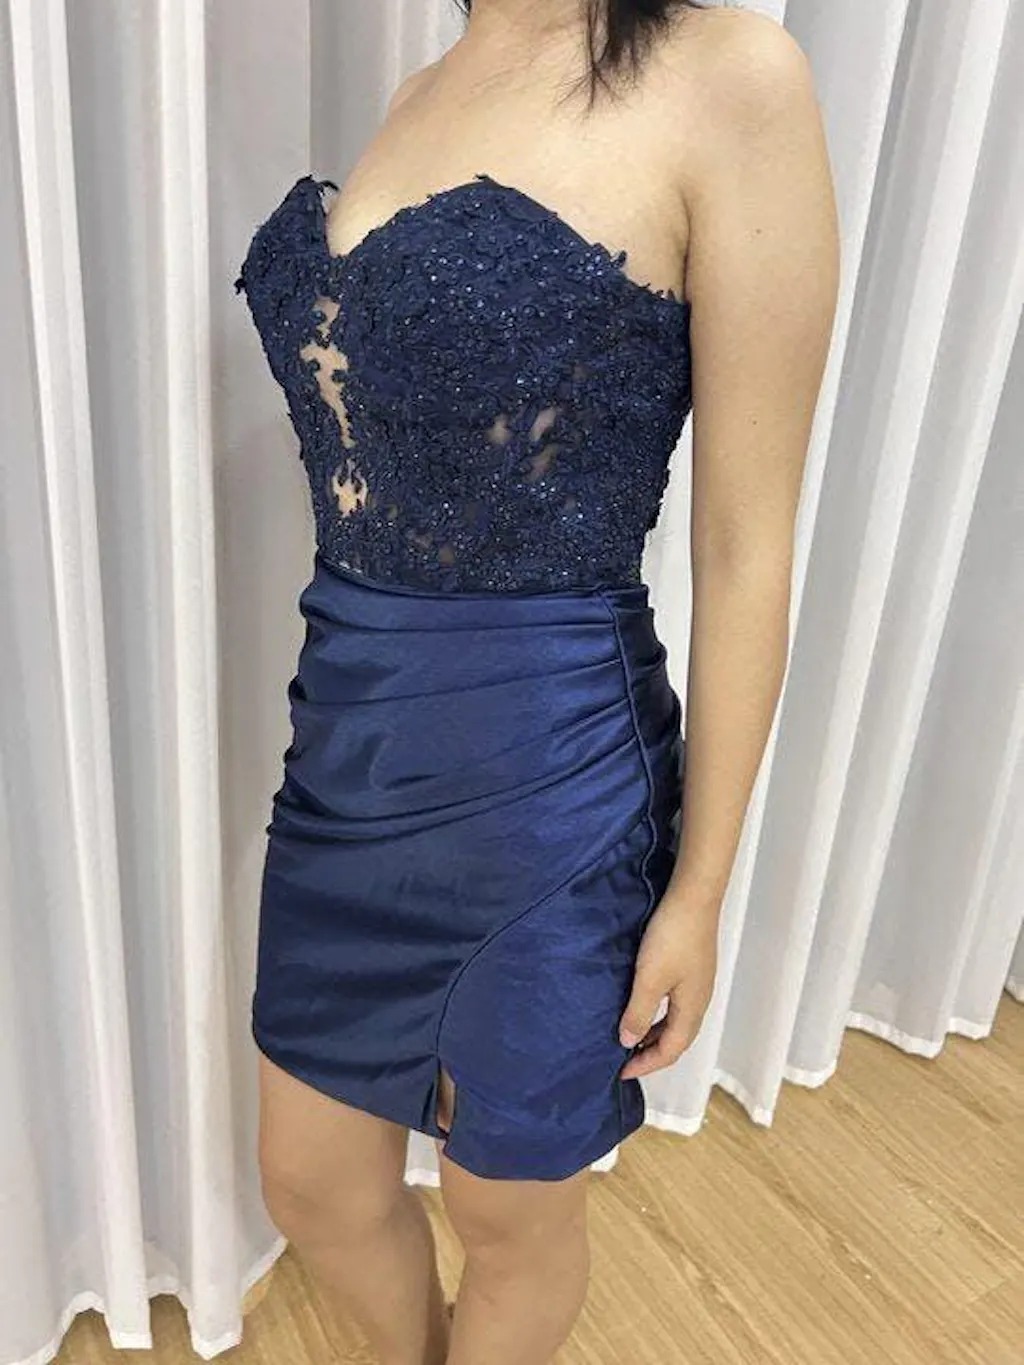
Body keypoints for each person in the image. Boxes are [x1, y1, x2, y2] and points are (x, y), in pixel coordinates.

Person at [235, 1, 839, 1361]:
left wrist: (699, 890)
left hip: (550, 782)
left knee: (507, 1211)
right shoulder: (424, 86)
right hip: (346, 753)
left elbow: (747, 545)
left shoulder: (729, 74)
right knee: (311, 1183)